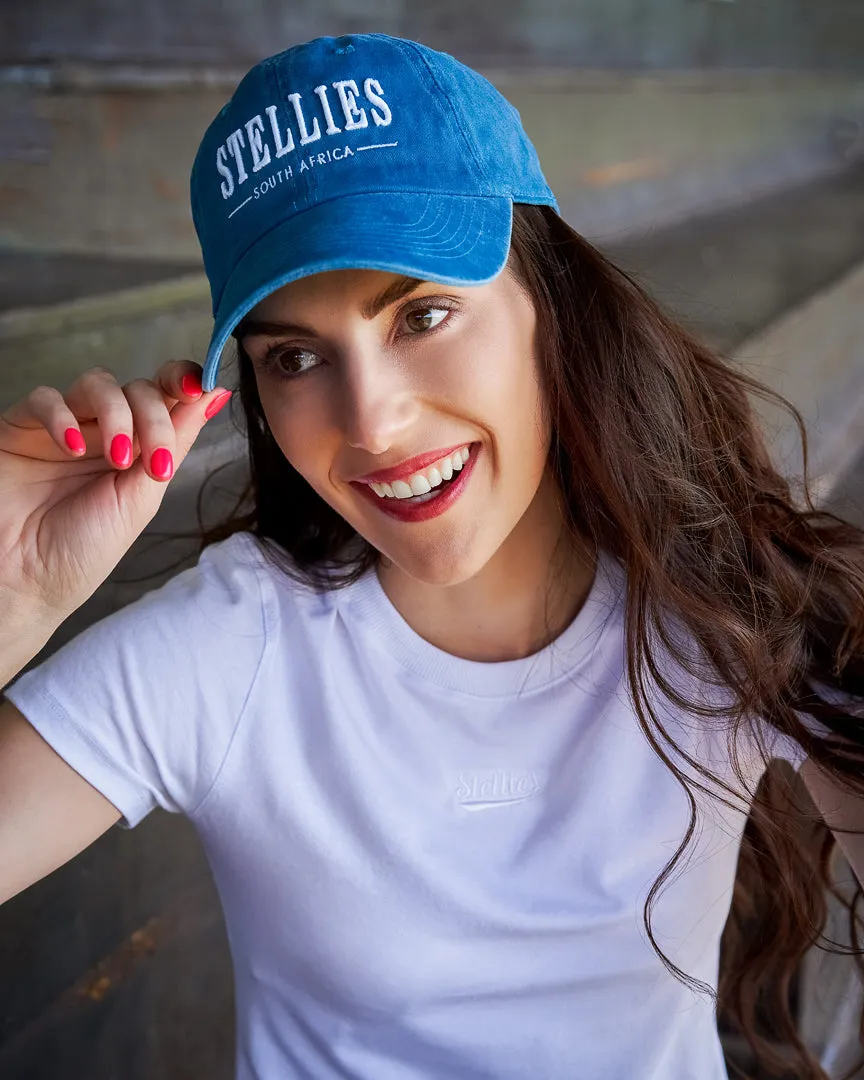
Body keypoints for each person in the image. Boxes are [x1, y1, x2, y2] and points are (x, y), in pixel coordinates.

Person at [0, 31, 863, 1080]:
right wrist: (15, 594)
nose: (373, 422)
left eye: (425, 313)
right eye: (297, 357)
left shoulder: (720, 617)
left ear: (554, 307)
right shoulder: (230, 649)